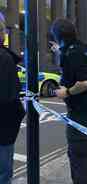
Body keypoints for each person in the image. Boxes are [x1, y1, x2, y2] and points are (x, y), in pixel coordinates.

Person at [50, 19, 87, 184]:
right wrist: (59, 52)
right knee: (81, 155)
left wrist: (66, 92)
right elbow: (73, 64)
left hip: (81, 114)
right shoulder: (86, 49)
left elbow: (85, 82)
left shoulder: (74, 53)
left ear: (58, 36)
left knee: (78, 157)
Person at [0, 19, 25, 184]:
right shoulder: (4, 59)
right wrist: (20, 111)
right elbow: (8, 97)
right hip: (3, 127)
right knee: (3, 170)